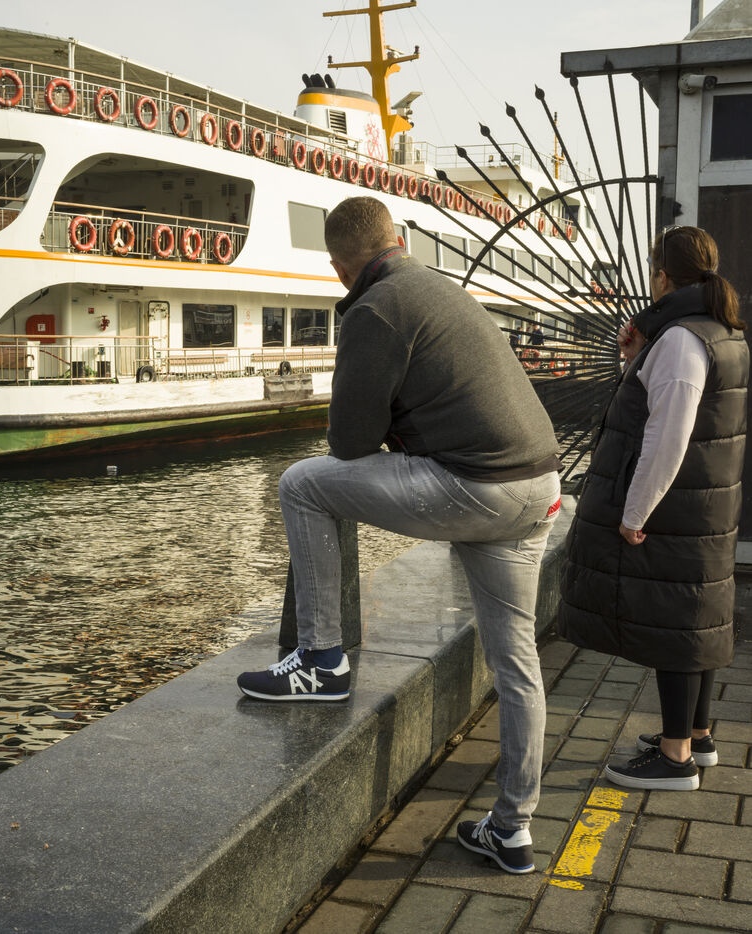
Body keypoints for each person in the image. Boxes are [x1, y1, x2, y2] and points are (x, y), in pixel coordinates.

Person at [236, 197, 563, 873]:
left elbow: (348, 443)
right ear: (399, 239)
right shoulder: (438, 286)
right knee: (516, 664)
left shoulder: (375, 308)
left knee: (302, 483)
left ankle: (321, 660)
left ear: (338, 266)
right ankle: (512, 829)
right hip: (539, 487)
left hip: (478, 488)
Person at [558, 225, 748, 791]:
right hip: (703, 502)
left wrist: (634, 513)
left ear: (662, 277)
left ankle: (675, 758)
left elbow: (667, 434)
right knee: (695, 616)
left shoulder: (682, 339)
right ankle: (698, 736)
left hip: (676, 506)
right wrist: (635, 358)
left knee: (675, 626)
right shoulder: (721, 330)